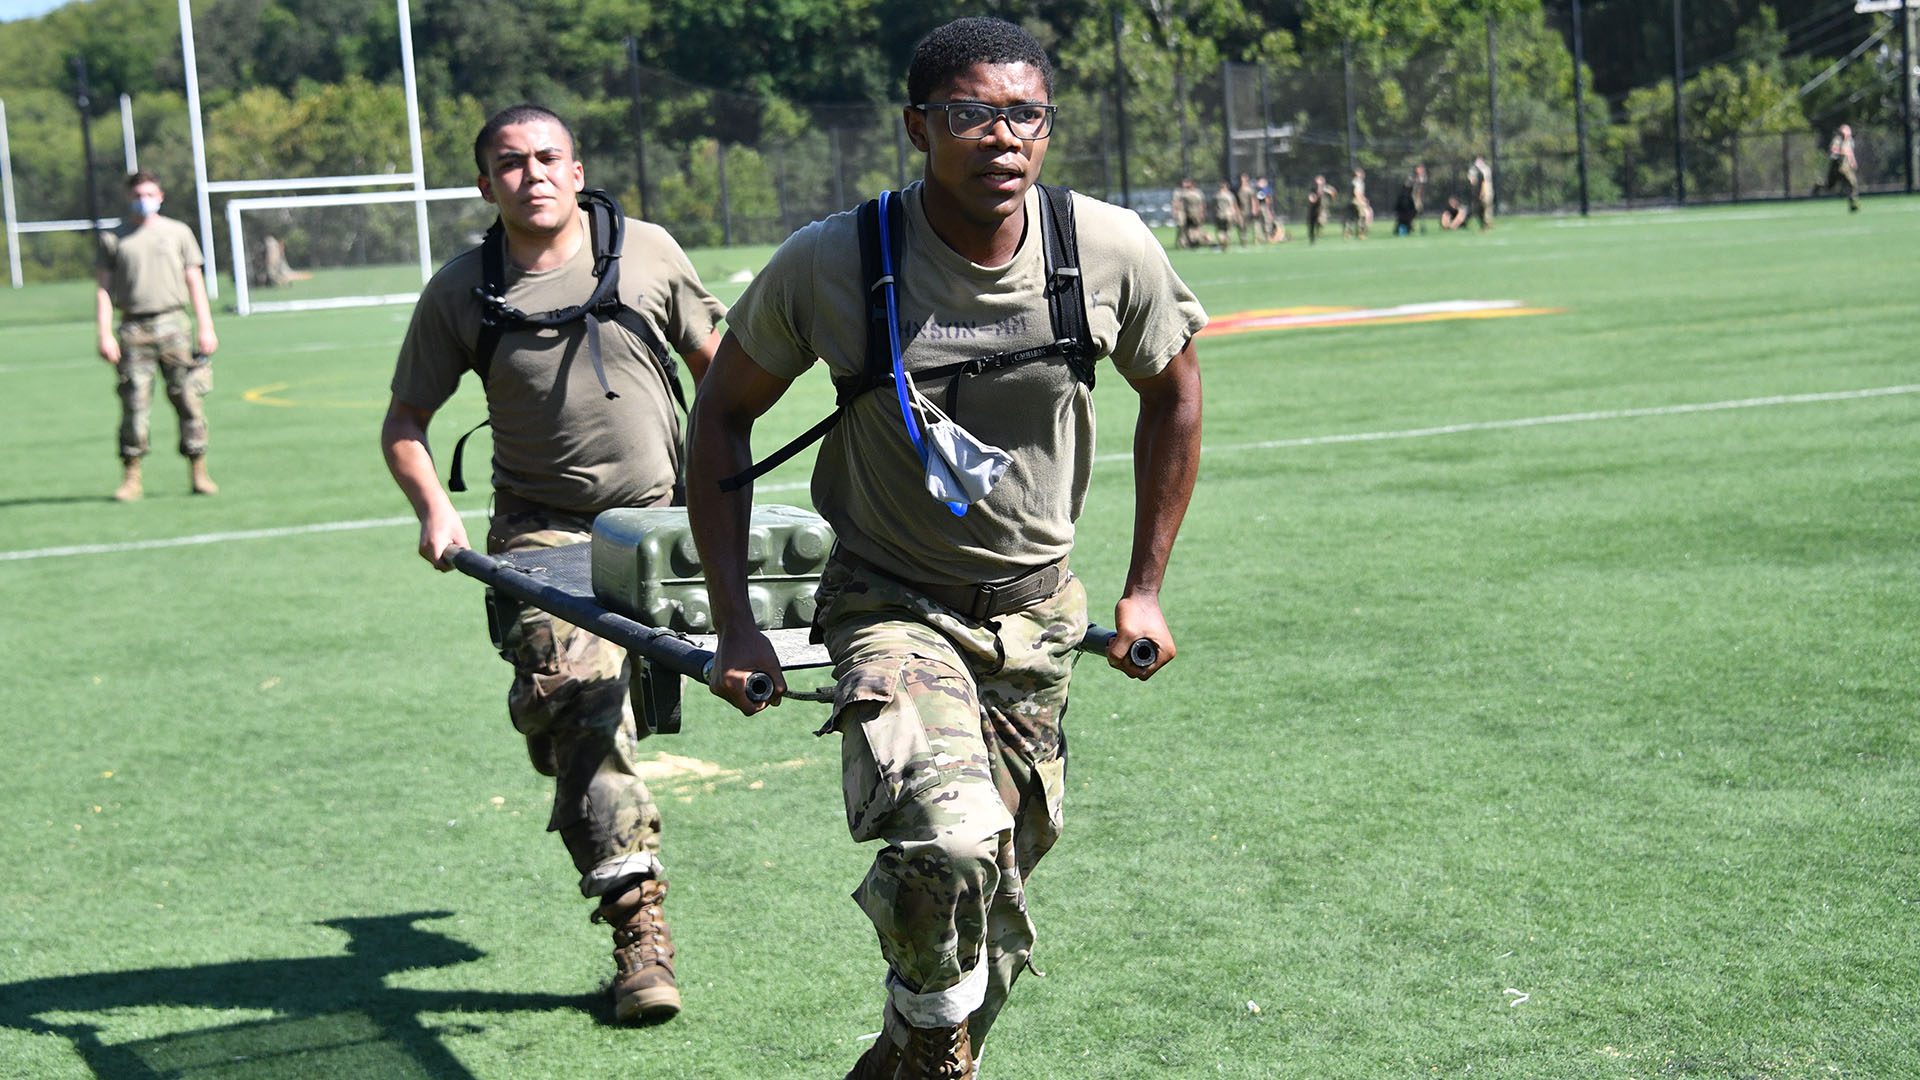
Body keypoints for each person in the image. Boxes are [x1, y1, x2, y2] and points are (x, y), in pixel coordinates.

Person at [683, 17, 1205, 1078]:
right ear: (920, 126)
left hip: (1037, 616)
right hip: (889, 600)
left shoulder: (1102, 249)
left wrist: (1145, 588)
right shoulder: (835, 259)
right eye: (973, 113)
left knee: (998, 899)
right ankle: (932, 1051)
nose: (1003, 137)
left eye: (1026, 115)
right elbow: (721, 414)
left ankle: (906, 1056)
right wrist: (737, 620)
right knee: (952, 839)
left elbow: (1177, 396)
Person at [378, 104, 724, 1024]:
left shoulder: (648, 253)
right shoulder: (462, 290)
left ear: (577, 171)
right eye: (510, 162)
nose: (532, 173)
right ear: (484, 185)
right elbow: (405, 421)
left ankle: (595, 688)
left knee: (605, 698)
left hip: (664, 525)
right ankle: (639, 934)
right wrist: (436, 513)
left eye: (548, 157)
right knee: (580, 705)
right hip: (543, 537)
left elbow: (723, 370)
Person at [94, 170, 220, 501]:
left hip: (174, 326)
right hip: (134, 329)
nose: (143, 200)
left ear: (160, 197)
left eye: (150, 194)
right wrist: (105, 333)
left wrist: (206, 327)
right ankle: (132, 476)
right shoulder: (114, 238)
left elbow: (194, 281)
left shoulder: (178, 232)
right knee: (134, 405)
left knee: (189, 400)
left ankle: (199, 470)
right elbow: (104, 290)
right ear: (128, 197)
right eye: (138, 195)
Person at [1821, 124, 1860, 212]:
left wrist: (1853, 162)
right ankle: (1819, 185)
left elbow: (1850, 153)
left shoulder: (1850, 141)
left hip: (1845, 165)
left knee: (1852, 184)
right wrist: (1841, 152)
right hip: (1837, 164)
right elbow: (1834, 150)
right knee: (1830, 186)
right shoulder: (1837, 140)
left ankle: (1853, 203)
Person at [1176, 177, 1209, 249]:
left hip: (1191, 213)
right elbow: (1203, 204)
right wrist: (1203, 212)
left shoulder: (1186, 193)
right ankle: (1194, 241)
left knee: (1192, 228)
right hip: (1195, 213)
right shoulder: (1198, 193)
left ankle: (1195, 241)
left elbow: (1179, 203)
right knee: (1194, 228)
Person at [1393, 164, 1426, 236]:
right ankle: (1407, 226)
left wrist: (1419, 198)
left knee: (1417, 211)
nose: (1421, 170)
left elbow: (1420, 189)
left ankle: (1413, 226)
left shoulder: (1423, 178)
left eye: (1422, 169)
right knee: (1408, 213)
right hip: (1408, 198)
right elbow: (1406, 187)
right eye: (1419, 169)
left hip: (1416, 197)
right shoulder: (1412, 177)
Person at [1306, 173, 1334, 244]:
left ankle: (1318, 230)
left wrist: (1331, 193)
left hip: (1322, 208)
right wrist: (1317, 195)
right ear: (1316, 181)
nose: (1321, 181)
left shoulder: (1326, 188)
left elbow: (1333, 193)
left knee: (1323, 220)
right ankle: (1312, 237)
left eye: (1322, 180)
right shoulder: (1313, 188)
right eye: (1320, 180)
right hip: (1314, 209)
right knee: (1311, 224)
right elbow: (1311, 199)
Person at [1468, 156, 1494, 230]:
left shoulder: (1486, 169)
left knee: (1487, 207)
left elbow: (1485, 182)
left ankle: (1487, 224)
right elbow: (1472, 181)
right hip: (1477, 192)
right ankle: (1485, 224)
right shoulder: (1473, 170)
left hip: (1486, 191)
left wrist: (1483, 192)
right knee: (1479, 208)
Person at [1344, 167, 1371, 239]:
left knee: (1352, 217)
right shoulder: (1358, 182)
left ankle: (1348, 233)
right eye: (1360, 173)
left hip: (1351, 201)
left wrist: (1364, 199)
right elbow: (1357, 193)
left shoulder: (1354, 181)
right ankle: (1361, 234)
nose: (1362, 175)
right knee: (1363, 216)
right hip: (1356, 201)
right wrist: (1362, 201)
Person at [1211, 179, 1238, 250]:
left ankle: (1222, 241)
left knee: (1220, 230)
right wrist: (1235, 214)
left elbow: (1214, 206)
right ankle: (1226, 242)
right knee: (1228, 229)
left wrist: (1214, 214)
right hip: (1228, 214)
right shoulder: (1229, 195)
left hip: (1219, 214)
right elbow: (1233, 205)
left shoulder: (1216, 195)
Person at [1235, 172, 1257, 245]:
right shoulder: (1236, 189)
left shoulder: (1250, 189)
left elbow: (1253, 199)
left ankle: (1254, 239)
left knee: (1248, 225)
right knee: (1240, 225)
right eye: (1241, 179)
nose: (1242, 180)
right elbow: (1234, 201)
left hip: (1248, 209)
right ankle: (1243, 239)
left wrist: (1254, 209)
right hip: (1240, 210)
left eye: (1243, 178)